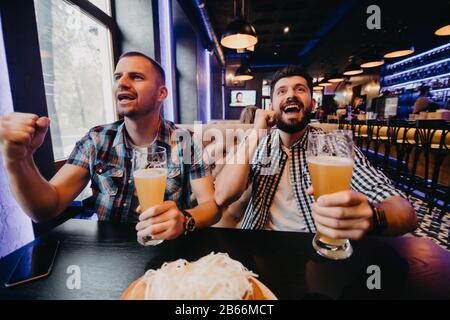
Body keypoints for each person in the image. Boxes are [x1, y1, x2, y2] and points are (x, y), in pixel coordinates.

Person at [0, 51, 221, 242]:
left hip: (167, 249)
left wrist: (184, 220)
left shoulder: (184, 140)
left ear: (161, 93)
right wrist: (18, 160)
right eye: (118, 77)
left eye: (136, 77)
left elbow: (211, 207)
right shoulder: (97, 139)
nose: (122, 83)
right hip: (108, 253)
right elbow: (47, 208)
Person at [215, 65, 417, 239]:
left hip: (318, 249)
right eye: (281, 91)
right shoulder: (259, 144)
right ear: (272, 106)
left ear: (312, 104)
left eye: (300, 89)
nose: (291, 95)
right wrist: (255, 133)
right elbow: (223, 196)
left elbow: (405, 212)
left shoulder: (334, 146)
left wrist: (374, 218)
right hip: (259, 245)